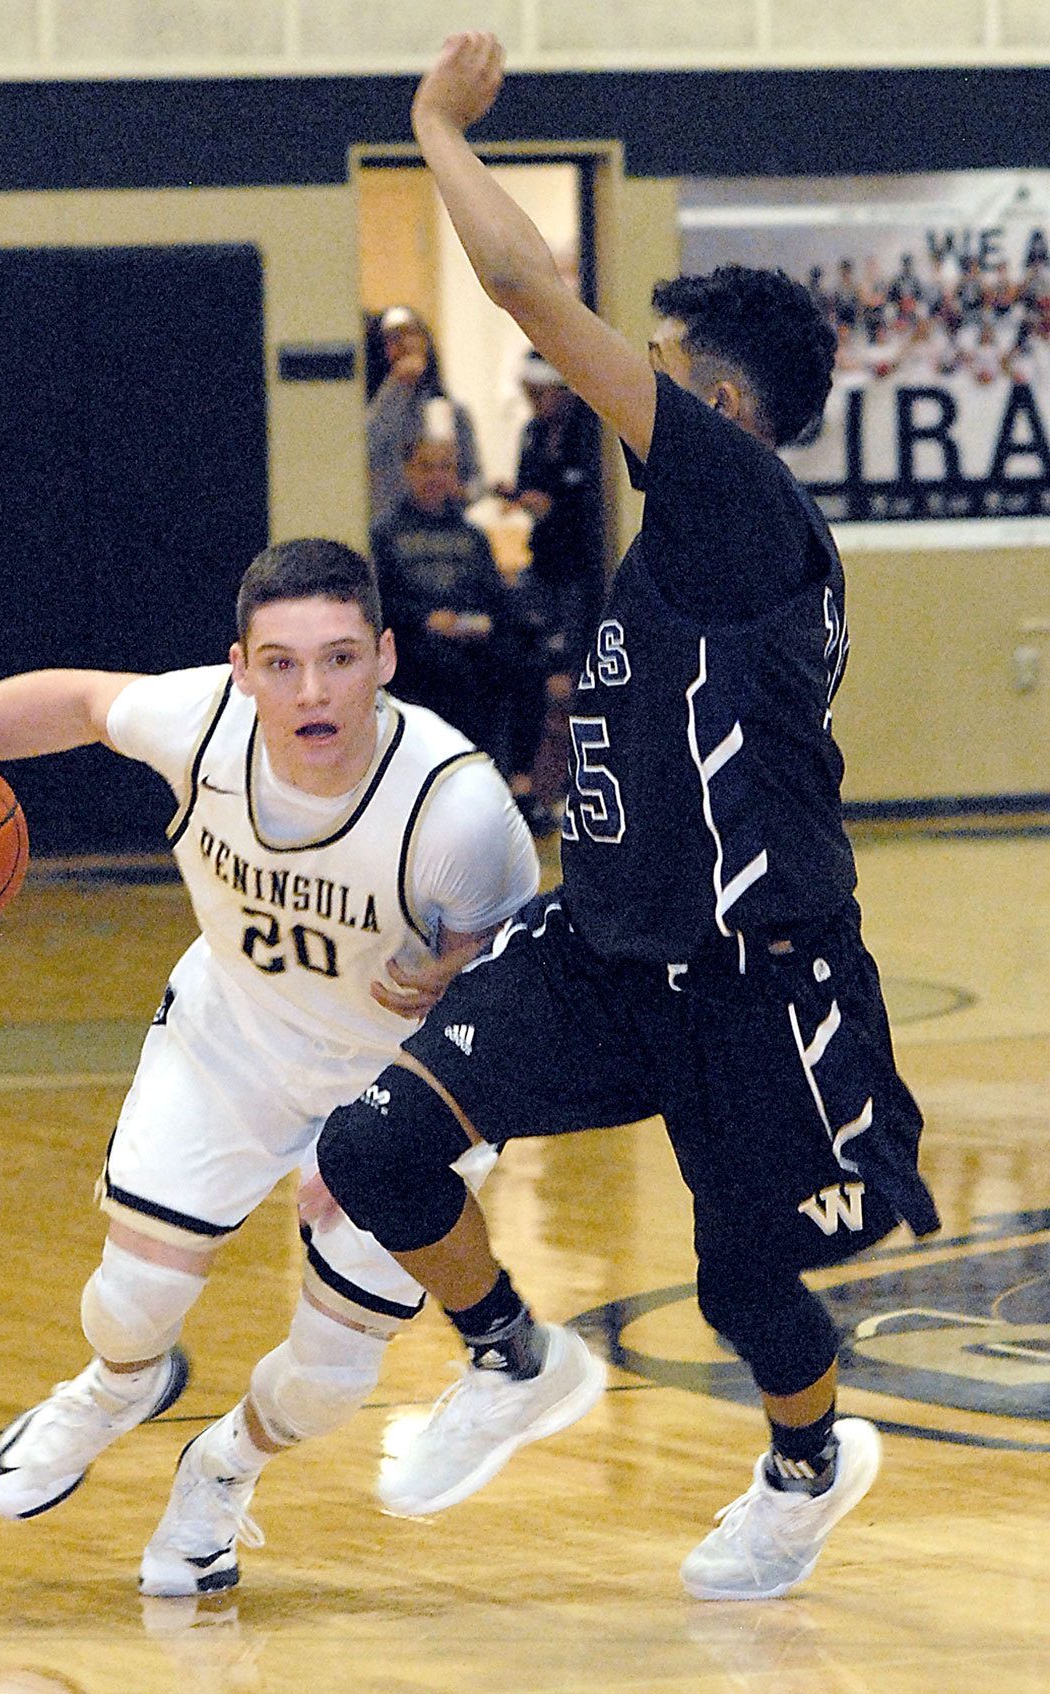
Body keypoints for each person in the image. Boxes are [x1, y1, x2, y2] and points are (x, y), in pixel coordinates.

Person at [315, 33, 939, 1603]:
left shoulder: (734, 500)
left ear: (716, 400)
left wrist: (434, 129)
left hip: (753, 975)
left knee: (748, 1288)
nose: (620, 377)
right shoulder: (679, 557)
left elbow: (526, 284)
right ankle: (510, 1356)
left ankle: (807, 1461)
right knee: (376, 1146)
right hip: (603, 948)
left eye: (654, 358)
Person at [0, 537, 540, 1596]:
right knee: (132, 1294)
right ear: (239, 668)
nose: (312, 689)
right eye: (282, 662)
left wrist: (399, 1109)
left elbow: (523, 1003)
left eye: (339, 658)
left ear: (386, 657)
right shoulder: (199, 722)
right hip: (231, 1044)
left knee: (333, 1375)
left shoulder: (457, 808)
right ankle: (118, 1384)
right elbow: (75, 699)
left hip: (398, 1088)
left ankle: (222, 1470)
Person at [497, 349, 605, 834]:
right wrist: (521, 499)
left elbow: (591, 506)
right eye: (529, 395)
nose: (534, 403)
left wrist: (551, 505)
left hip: (581, 569)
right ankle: (534, 787)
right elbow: (531, 491)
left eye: (540, 394)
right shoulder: (533, 435)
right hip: (545, 564)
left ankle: (574, 786)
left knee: (576, 681)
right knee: (535, 673)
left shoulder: (589, 432)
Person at [370, 427, 510, 761]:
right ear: (409, 471)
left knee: (517, 662)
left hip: (472, 639)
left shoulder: (473, 536)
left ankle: (508, 775)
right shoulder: (385, 534)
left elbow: (495, 596)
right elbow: (379, 601)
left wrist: (480, 622)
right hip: (414, 643)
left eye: (444, 467)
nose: (436, 476)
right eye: (427, 466)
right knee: (445, 669)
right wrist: (425, 619)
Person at [366, 305, 482, 527]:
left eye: (412, 334)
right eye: (394, 338)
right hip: (386, 529)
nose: (406, 344)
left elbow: (476, 479)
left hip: (442, 528)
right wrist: (396, 387)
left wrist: (462, 492)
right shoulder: (368, 409)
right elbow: (366, 449)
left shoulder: (451, 411)